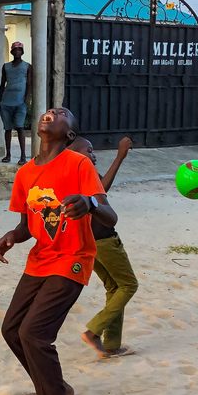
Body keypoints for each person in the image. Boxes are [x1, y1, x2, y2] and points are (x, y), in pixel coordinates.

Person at [0, 107, 117, 395]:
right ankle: (55, 388)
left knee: (34, 333)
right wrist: (12, 236)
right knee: (11, 330)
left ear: (69, 134)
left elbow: (110, 216)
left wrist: (90, 204)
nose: (52, 112)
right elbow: (26, 225)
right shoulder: (25, 173)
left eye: (61, 113)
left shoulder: (78, 165)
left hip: (73, 259)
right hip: (40, 260)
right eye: (49, 110)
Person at [67, 135, 139, 358]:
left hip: (88, 242)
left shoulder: (71, 173)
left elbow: (99, 188)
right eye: (89, 150)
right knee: (129, 285)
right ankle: (93, 331)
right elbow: (99, 193)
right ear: (75, 154)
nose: (94, 155)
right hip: (105, 241)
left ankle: (112, 345)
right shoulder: (80, 172)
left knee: (114, 287)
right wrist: (120, 156)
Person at [0, 41, 32, 165]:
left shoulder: (27, 66)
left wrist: (26, 100)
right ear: (11, 51)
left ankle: (23, 156)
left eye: (19, 49)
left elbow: (29, 84)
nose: (17, 51)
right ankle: (8, 155)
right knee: (7, 129)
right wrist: (0, 100)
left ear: (22, 52)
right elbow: (2, 84)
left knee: (20, 127)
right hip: (6, 102)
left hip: (20, 103)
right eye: (15, 49)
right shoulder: (6, 67)